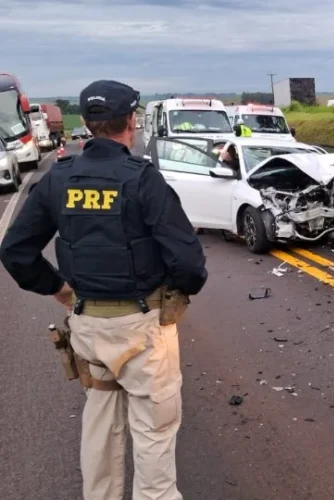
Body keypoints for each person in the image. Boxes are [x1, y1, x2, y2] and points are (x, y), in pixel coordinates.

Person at [0, 80, 208, 500]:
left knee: (100, 425)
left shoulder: (59, 179)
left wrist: (60, 290)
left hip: (88, 330)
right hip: (143, 330)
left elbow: (15, 251)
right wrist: (173, 297)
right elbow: (189, 264)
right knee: (154, 433)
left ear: (89, 125)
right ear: (131, 122)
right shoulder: (143, 180)